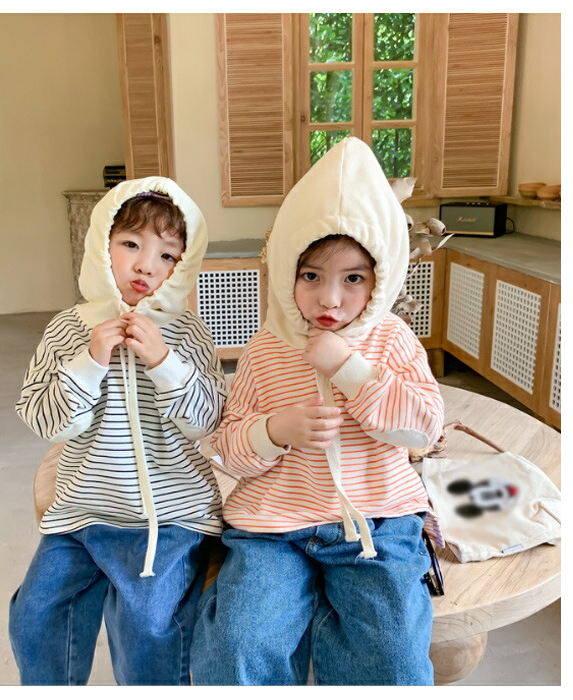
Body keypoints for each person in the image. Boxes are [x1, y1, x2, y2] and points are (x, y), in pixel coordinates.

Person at [190, 137, 445, 686]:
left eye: (353, 278)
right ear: (288, 271)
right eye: (311, 276)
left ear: (380, 279)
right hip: (273, 528)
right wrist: (274, 431)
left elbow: (423, 426)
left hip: (377, 523)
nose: (330, 299)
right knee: (238, 644)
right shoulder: (265, 348)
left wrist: (350, 369)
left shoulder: (392, 339)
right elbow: (228, 449)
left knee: (395, 656)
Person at [8, 178, 226, 686]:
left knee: (148, 625)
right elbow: (43, 419)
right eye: (131, 244)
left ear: (182, 267)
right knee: (34, 616)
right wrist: (89, 362)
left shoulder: (187, 332)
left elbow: (208, 421)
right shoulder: (67, 328)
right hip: (83, 512)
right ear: (100, 245)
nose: (146, 266)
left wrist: (165, 362)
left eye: (167, 255)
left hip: (171, 517)